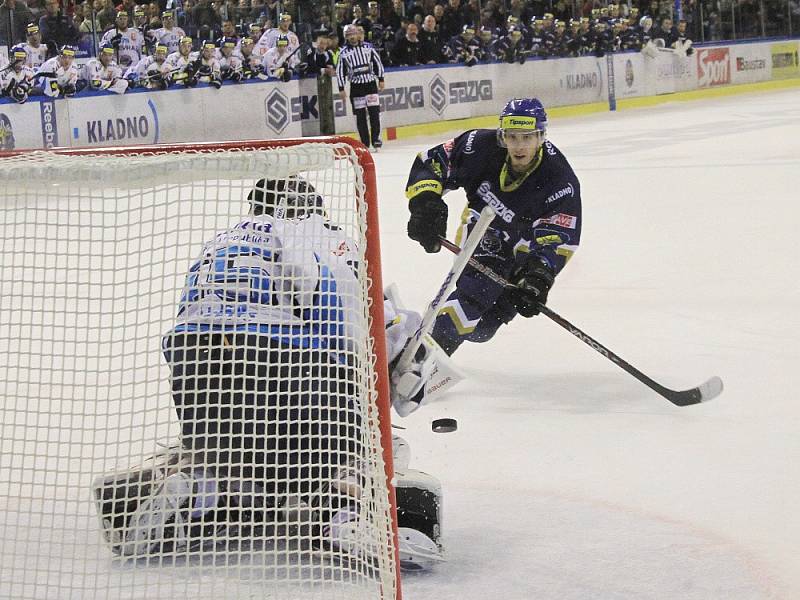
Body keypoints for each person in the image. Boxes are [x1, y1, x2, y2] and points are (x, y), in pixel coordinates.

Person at [92, 176, 444, 571]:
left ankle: (196, 488)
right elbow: (353, 310)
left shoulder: (222, 241)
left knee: (241, 461)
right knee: (371, 447)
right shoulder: (318, 234)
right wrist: (393, 367)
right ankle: (346, 516)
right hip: (281, 358)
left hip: (193, 367)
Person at [403, 98, 582, 368]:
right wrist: (426, 203)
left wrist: (538, 275)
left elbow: (558, 235)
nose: (519, 145)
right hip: (484, 234)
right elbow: (434, 162)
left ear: (541, 136)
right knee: (473, 298)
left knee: (483, 328)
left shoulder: (559, 180)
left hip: (524, 249)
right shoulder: (479, 146)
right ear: (502, 135)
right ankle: (419, 364)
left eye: (527, 137)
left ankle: (437, 327)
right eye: (512, 137)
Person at [336, 23, 385, 151]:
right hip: (356, 87)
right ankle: (365, 142)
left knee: (375, 113)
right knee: (360, 116)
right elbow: (340, 71)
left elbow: (377, 63)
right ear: (346, 37)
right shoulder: (343, 52)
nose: (352, 37)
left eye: (353, 34)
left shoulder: (368, 47)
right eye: (349, 35)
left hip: (370, 84)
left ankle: (376, 139)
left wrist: (381, 79)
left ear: (358, 34)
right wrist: (341, 88)